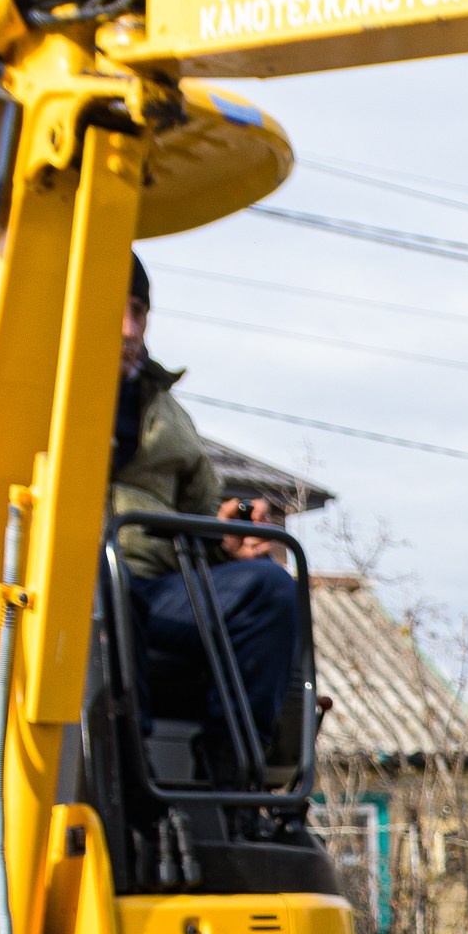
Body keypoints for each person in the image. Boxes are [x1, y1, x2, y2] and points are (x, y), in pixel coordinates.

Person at [112, 249, 301, 747]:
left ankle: (233, 768)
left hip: (156, 590)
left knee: (270, 587)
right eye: (114, 309)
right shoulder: (33, 392)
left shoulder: (167, 414)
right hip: (75, 580)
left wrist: (225, 541)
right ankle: (126, 769)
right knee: (99, 580)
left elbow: (199, 511)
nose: (130, 330)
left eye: (139, 312)